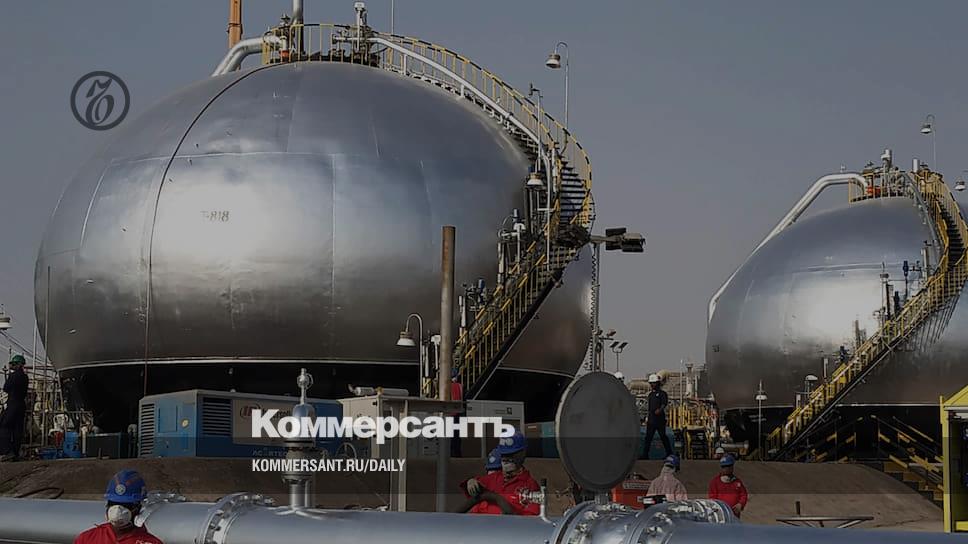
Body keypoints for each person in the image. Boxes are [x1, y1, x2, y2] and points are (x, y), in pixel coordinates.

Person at [457, 432, 539, 515]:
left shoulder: (532, 486)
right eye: (503, 454)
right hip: (479, 522)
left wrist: (509, 510)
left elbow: (533, 517)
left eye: (510, 454)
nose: (505, 458)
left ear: (522, 454)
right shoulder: (493, 478)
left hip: (508, 522)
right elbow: (473, 486)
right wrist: (471, 481)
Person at [74, 469, 164, 544]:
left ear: (139, 508)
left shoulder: (151, 542)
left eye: (126, 505)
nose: (117, 511)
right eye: (113, 504)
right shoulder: (86, 539)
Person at [0, 354, 28, 461]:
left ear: (17, 365)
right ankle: (15, 453)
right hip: (21, 405)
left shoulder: (13, 376)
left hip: (13, 404)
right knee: (17, 429)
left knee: (4, 426)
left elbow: (6, 388)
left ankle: (7, 451)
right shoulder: (25, 377)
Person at [642, 374, 673, 459]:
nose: (652, 385)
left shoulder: (662, 394)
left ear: (658, 383)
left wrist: (660, 410)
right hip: (651, 420)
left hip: (659, 420)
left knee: (663, 436)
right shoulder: (650, 395)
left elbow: (664, 403)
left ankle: (669, 453)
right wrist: (647, 417)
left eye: (654, 383)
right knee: (648, 438)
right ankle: (645, 455)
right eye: (651, 383)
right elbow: (649, 408)